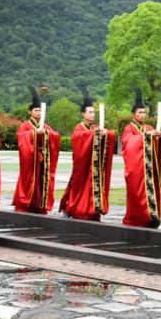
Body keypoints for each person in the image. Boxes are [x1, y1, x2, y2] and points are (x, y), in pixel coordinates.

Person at [60, 88, 115, 220]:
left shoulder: (95, 127)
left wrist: (105, 134)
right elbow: (77, 138)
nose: (92, 115)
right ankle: (75, 207)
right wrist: (94, 134)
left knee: (93, 187)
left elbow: (111, 134)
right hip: (82, 164)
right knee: (78, 185)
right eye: (89, 112)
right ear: (83, 114)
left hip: (93, 166)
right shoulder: (79, 127)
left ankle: (91, 209)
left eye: (93, 113)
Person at [121, 89, 161, 228]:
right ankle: (136, 218)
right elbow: (128, 143)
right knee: (136, 195)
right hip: (136, 170)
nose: (142, 115)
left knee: (151, 192)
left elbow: (156, 144)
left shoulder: (148, 127)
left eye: (144, 113)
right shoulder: (128, 129)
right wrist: (148, 136)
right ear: (133, 115)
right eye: (139, 113)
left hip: (149, 170)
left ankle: (151, 216)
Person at [13, 87, 61, 214]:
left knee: (41, 182)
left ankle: (40, 204)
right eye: (36, 110)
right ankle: (26, 203)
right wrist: (33, 133)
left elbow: (55, 135)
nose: (38, 113)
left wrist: (46, 133)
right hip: (31, 158)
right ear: (30, 112)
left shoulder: (44, 125)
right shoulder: (25, 125)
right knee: (29, 180)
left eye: (40, 110)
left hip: (42, 159)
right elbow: (20, 137)